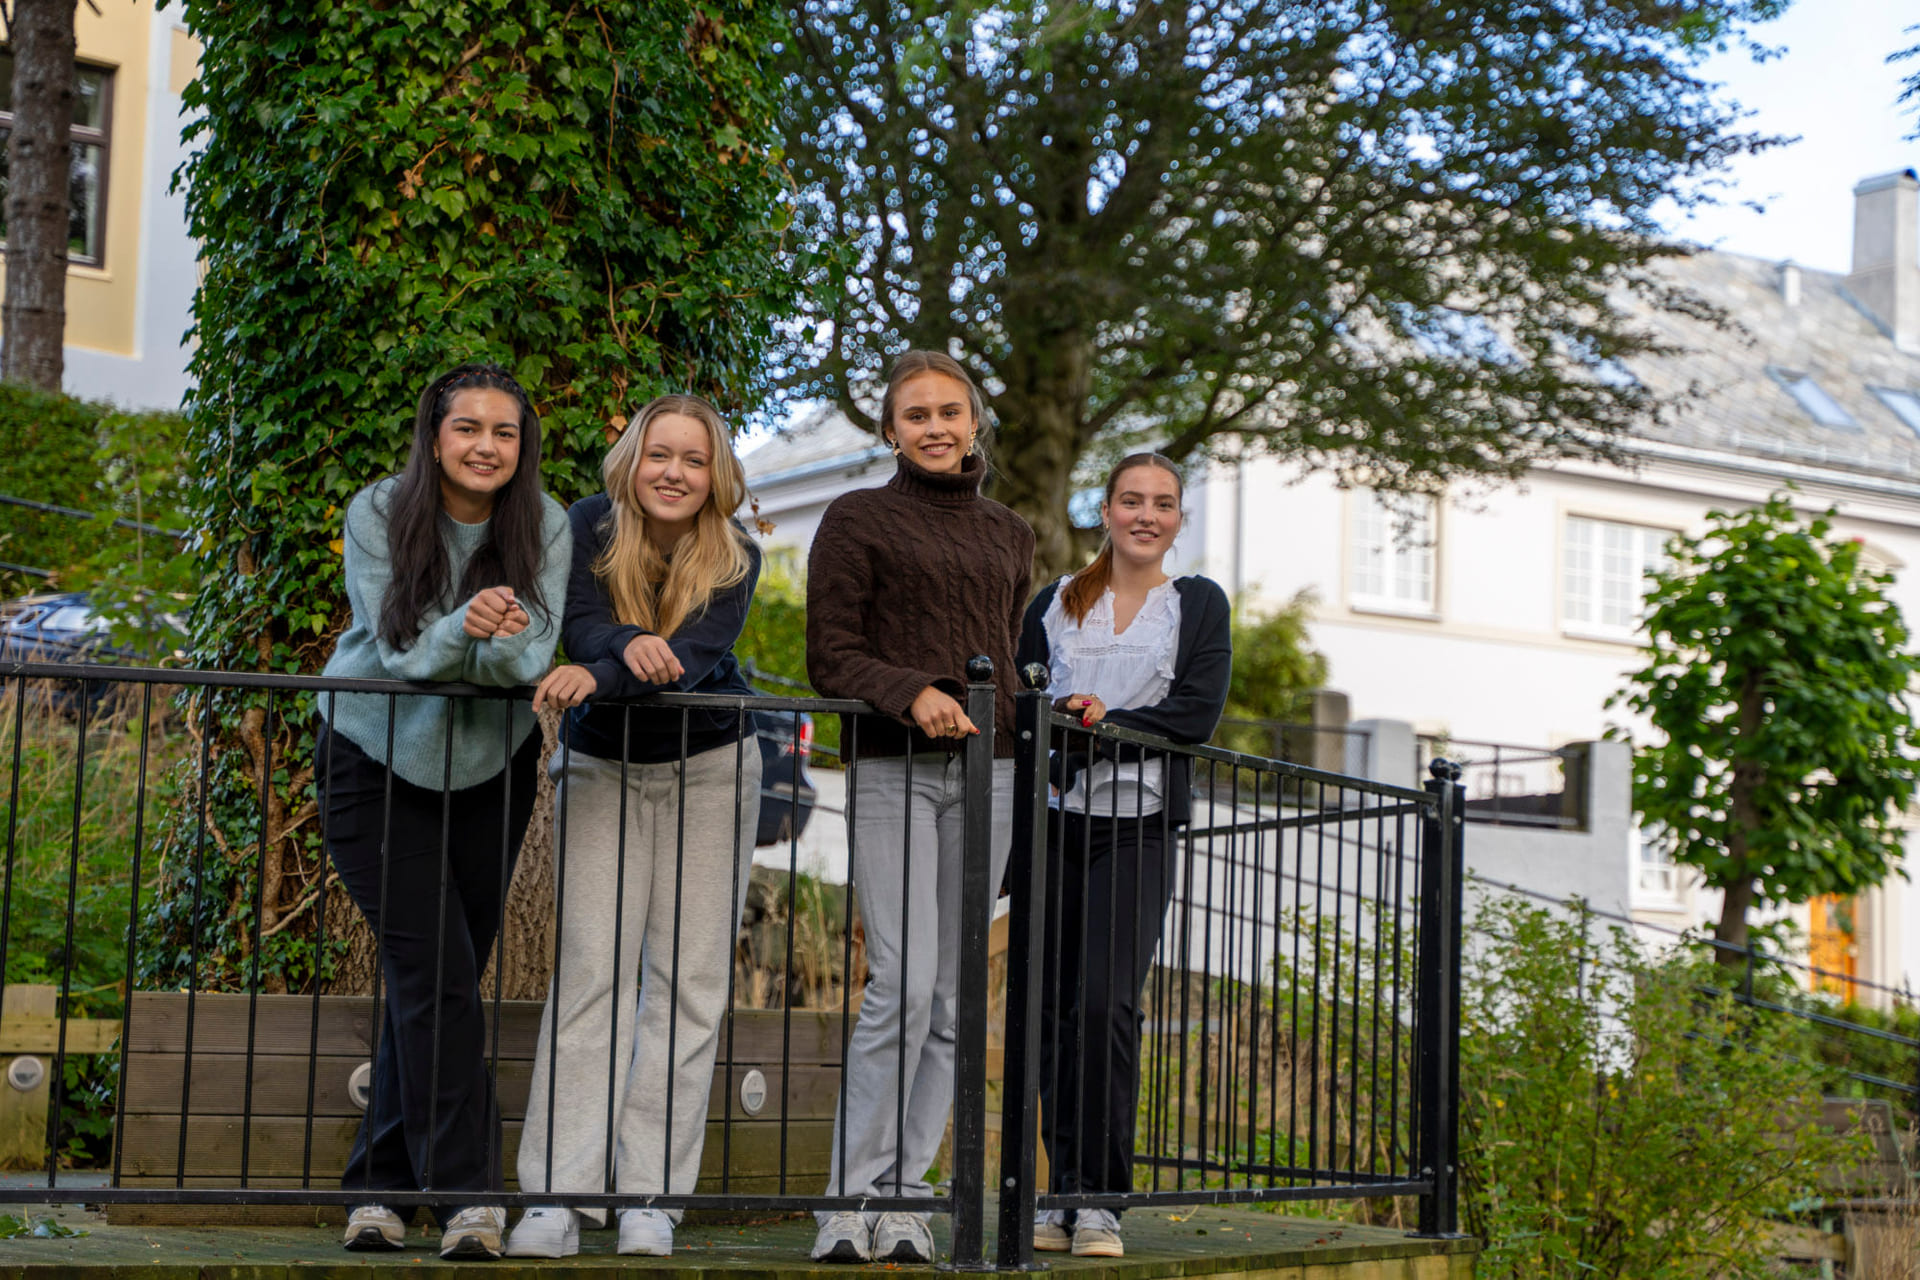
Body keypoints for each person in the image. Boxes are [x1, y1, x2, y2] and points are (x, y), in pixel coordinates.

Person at [318, 363, 572, 1261]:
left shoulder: (544, 523)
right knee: (439, 976)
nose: (487, 447)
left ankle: (380, 1193)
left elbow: (534, 657)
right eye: (469, 429)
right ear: (436, 435)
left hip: (488, 770)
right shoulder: (379, 511)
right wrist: (467, 628)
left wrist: (491, 642)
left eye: (504, 433)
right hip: (374, 756)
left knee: (432, 981)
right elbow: (398, 653)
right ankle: (469, 1195)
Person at [505, 394, 764, 1259]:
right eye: (661, 454)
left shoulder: (736, 553)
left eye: (694, 460)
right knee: (589, 976)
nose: (675, 473)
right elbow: (576, 624)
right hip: (602, 768)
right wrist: (615, 648)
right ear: (633, 457)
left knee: (689, 986)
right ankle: (556, 1197)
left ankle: (649, 1195)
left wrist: (603, 668)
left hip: (712, 770)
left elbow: (686, 660)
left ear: (714, 473)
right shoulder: (584, 526)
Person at [804, 350, 1034, 1264]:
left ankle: (908, 1198)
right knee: (898, 984)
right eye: (916, 416)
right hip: (896, 768)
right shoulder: (856, 518)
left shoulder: (1011, 532)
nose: (936, 428)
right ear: (890, 430)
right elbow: (832, 653)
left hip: (994, 776)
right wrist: (914, 692)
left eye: (951, 412)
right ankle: (846, 1201)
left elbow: (1008, 658)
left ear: (976, 421)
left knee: (951, 997)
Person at [1014, 453, 1231, 1259]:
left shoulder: (1196, 606)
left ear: (1178, 519)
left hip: (1136, 826)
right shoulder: (1056, 603)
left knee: (1107, 1003)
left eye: (1163, 504)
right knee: (1051, 1011)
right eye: (1131, 501)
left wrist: (1108, 723)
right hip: (1055, 820)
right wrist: (1065, 713)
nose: (1147, 515)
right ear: (1103, 511)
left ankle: (1098, 1199)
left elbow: (1196, 714)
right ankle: (1054, 1191)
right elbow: (1022, 695)